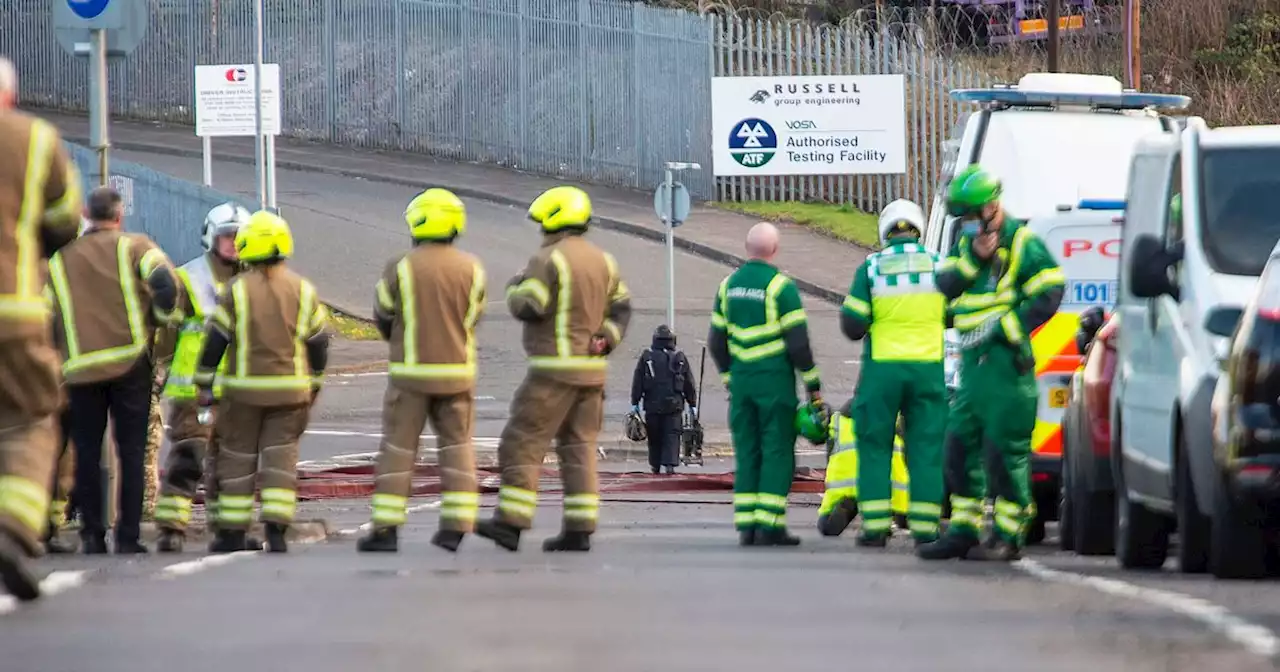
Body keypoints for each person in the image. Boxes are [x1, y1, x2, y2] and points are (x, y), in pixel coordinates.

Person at [917, 165, 1065, 562]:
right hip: (971, 367)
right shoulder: (967, 247)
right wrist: (974, 260)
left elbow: (1050, 291)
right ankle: (963, 530)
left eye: (971, 215)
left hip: (1004, 366)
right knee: (958, 448)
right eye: (962, 217)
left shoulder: (1023, 242)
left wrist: (1009, 328)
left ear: (992, 207)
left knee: (1003, 453)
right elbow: (946, 285)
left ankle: (1008, 534)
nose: (967, 223)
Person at [475, 186, 632, 553]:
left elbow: (530, 305)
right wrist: (605, 340)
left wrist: (515, 285)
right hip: (591, 373)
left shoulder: (548, 260)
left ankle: (510, 523)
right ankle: (579, 528)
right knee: (579, 447)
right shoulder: (604, 261)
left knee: (521, 442)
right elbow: (621, 308)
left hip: (553, 372)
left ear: (553, 219)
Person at [48, 186, 179, 555]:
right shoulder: (135, 246)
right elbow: (166, 285)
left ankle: (91, 536)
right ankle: (128, 536)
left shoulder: (60, 260)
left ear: (88, 216)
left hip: (79, 368)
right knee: (132, 451)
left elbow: (45, 313)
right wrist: (161, 320)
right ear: (119, 216)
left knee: (86, 452)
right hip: (129, 362)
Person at [357, 188, 487, 554]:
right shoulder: (472, 268)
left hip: (410, 375)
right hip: (457, 373)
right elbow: (473, 315)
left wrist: (399, 340)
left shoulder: (399, 267)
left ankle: (386, 529)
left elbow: (383, 315)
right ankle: (457, 525)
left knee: (398, 449)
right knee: (458, 446)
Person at [195, 210, 331, 554]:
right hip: (290, 393)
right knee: (281, 458)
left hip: (243, 394)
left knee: (236, 458)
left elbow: (215, 341)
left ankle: (232, 534)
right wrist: (314, 380)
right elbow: (318, 342)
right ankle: (277, 530)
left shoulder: (236, 291)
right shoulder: (303, 289)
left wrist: (204, 383)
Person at [0, 55, 85, 600]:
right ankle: (11, 530)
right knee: (29, 420)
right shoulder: (34, 139)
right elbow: (63, 221)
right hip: (13, 308)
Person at [838, 199, 948, 548]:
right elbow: (956, 315)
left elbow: (853, 324)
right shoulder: (939, 266)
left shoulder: (871, 268)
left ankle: (874, 526)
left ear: (886, 231)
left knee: (874, 447)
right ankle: (927, 528)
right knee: (927, 449)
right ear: (918, 228)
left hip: (882, 373)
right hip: (928, 370)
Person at [707, 222, 823, 547]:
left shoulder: (726, 286)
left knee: (747, 453)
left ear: (748, 249)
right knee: (777, 453)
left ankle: (746, 526)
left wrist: (731, 379)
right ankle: (768, 525)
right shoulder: (781, 288)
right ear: (774, 250)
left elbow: (716, 343)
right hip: (775, 388)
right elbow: (798, 344)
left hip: (742, 387)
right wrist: (813, 386)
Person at [153, 202, 251, 553]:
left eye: (240, 237)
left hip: (238, 389)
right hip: (193, 388)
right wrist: (159, 370)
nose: (234, 244)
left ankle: (228, 530)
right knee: (188, 458)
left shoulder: (254, 281)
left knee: (232, 463)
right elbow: (165, 332)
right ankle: (170, 528)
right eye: (227, 237)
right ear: (211, 237)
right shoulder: (188, 278)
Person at [630, 325, 697, 475]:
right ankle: (670, 466)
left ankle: (655, 466)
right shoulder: (679, 358)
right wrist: (692, 404)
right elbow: (689, 383)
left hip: (652, 405)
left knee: (654, 436)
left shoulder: (647, 358)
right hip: (674, 406)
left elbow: (638, 381)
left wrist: (634, 402)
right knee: (672, 435)